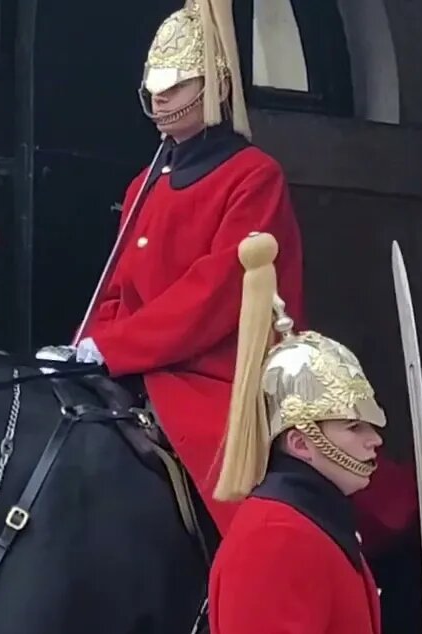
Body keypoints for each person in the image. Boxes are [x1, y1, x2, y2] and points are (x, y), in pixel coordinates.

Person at [51, 0, 307, 533]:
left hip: (213, 372)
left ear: (213, 82)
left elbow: (216, 291)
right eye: (154, 86)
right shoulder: (145, 182)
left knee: (243, 499)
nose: (160, 97)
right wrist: (92, 346)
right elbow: (118, 289)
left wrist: (117, 349)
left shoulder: (253, 177)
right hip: (139, 362)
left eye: (176, 84)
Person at [200, 232, 390, 634]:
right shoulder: (278, 537)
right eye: (353, 426)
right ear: (301, 441)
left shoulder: (310, 525)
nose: (374, 440)